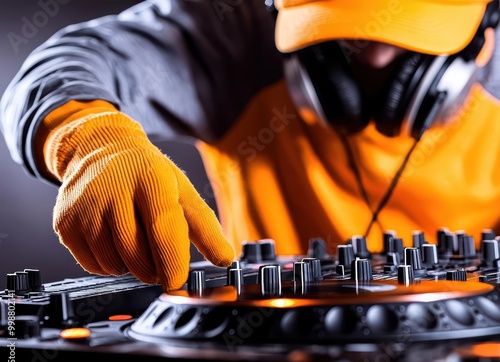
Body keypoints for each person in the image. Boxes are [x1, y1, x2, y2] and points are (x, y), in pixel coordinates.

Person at [1, 0, 499, 292]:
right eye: (335, 38)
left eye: (417, 45)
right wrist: (93, 142)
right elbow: (66, 62)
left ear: (485, 32)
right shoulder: (233, 39)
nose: (373, 58)